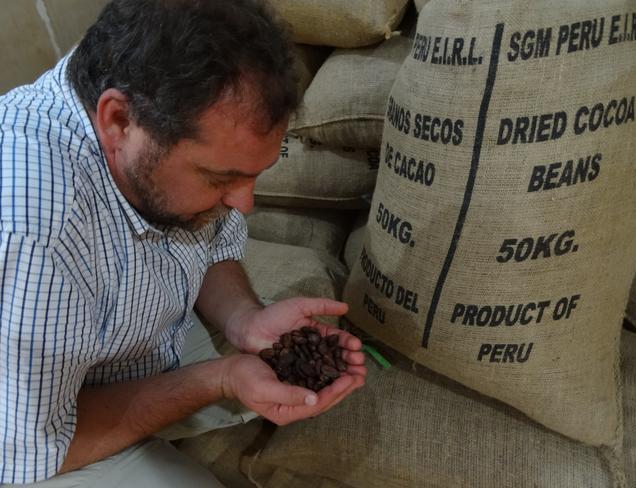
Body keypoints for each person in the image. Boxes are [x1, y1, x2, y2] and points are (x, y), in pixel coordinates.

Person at [0, 0, 367, 485]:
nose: (245, 204)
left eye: (254, 177)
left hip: (119, 349)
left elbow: (208, 241)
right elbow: (32, 446)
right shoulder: (34, 230)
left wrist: (244, 319)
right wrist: (216, 380)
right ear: (118, 122)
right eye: (220, 178)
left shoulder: (141, 100)